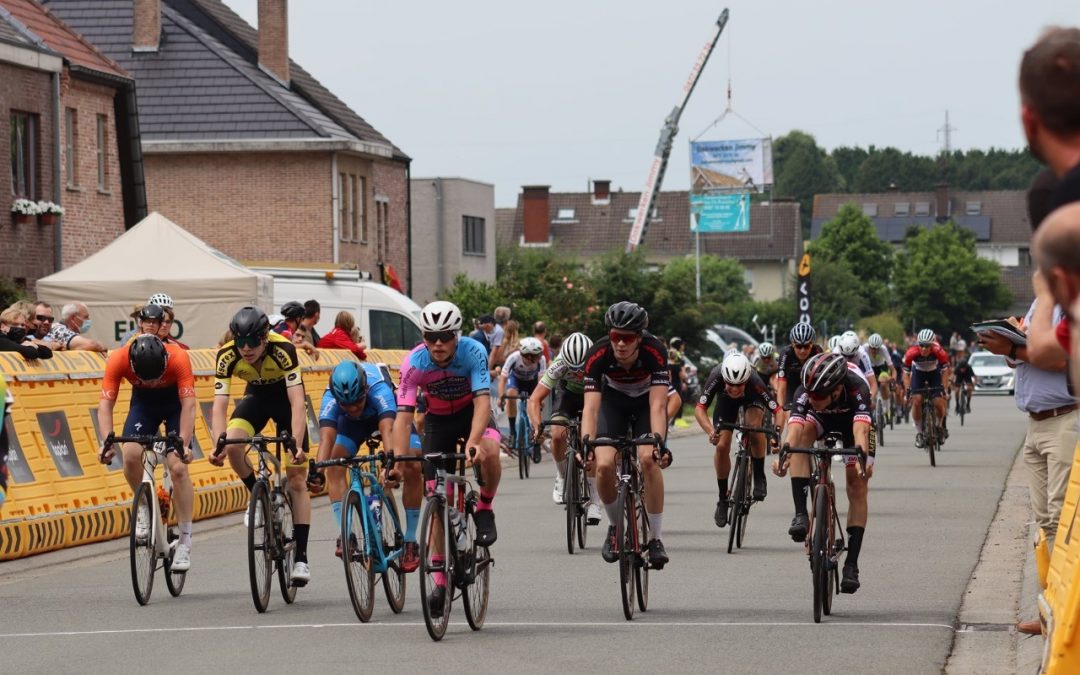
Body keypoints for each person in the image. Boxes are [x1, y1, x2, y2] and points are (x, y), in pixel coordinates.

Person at [391, 300, 503, 618]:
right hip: (438, 422)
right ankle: (439, 581)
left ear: (456, 334)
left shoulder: (472, 352)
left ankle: (484, 508)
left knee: (490, 451)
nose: (438, 343)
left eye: (444, 336)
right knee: (438, 503)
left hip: (472, 415)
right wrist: (399, 462)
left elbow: (483, 401)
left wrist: (472, 442)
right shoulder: (413, 362)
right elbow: (403, 417)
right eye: (430, 336)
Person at [209, 306, 312, 586]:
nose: (246, 349)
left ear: (265, 338)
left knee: (297, 478)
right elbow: (219, 406)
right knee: (232, 446)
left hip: (285, 401)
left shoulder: (284, 350)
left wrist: (296, 442)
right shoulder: (227, 355)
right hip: (256, 397)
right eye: (240, 342)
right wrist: (218, 441)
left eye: (253, 342)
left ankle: (301, 557)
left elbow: (297, 402)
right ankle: (257, 498)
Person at [580, 301, 672, 569]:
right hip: (614, 402)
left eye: (627, 338)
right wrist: (586, 443)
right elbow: (591, 408)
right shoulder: (597, 355)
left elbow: (658, 405)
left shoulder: (655, 352)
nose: (620, 344)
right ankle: (614, 527)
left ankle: (655, 538)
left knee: (647, 460)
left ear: (639, 338)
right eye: (615, 337)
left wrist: (658, 443)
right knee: (605, 464)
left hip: (646, 403)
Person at [774, 352, 873, 593]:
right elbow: (794, 429)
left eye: (817, 396)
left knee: (857, 485)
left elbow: (861, 431)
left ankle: (851, 564)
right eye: (809, 394)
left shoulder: (857, 387)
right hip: (820, 419)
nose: (811, 397)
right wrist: (784, 454)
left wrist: (862, 459)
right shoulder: (806, 391)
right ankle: (801, 514)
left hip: (852, 424)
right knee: (802, 438)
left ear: (836, 390)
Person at [97, 335, 196, 571]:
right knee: (130, 454)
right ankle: (143, 507)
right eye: (145, 379)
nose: (152, 382)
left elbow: (189, 406)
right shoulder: (118, 358)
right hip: (144, 406)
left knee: (178, 468)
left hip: (175, 406)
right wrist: (106, 442)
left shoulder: (179, 357)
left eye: (156, 377)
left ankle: (185, 540)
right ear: (132, 365)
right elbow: (105, 405)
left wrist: (184, 443)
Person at [307, 361, 410, 561]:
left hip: (381, 417)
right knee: (334, 466)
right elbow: (327, 439)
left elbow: (388, 430)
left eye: (357, 401)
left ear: (364, 390)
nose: (353, 407)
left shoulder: (378, 389)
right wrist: (317, 473)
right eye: (346, 404)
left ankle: (399, 531)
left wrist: (391, 464)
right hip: (352, 426)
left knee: (401, 458)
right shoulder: (330, 397)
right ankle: (347, 534)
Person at [695, 352, 779, 527]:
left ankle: (759, 475)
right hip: (726, 402)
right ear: (724, 378)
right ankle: (722, 498)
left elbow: (778, 411)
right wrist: (711, 431)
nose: (734, 388)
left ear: (746, 379)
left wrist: (776, 434)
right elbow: (700, 409)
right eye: (730, 384)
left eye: (738, 385)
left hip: (752, 399)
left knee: (754, 427)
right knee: (721, 446)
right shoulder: (716, 376)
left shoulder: (755, 382)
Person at [527, 332, 599, 514]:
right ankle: (561, 475)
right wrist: (537, 427)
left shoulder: (599, 362)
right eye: (572, 369)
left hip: (593, 396)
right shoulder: (559, 364)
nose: (576, 372)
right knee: (558, 435)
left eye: (580, 368)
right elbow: (534, 400)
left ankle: (593, 499)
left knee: (590, 442)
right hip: (567, 396)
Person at [903, 329, 952, 449]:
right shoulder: (911, 353)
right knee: (917, 400)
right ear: (917, 344)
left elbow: (945, 372)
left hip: (934, 373)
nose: (924, 349)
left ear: (932, 344)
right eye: (921, 345)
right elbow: (906, 375)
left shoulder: (939, 351)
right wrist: (908, 390)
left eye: (927, 346)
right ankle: (919, 433)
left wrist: (944, 389)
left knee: (939, 402)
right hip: (918, 373)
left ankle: (939, 426)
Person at [497, 336, 547, 449]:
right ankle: (513, 432)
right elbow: (503, 378)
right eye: (538, 354)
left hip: (532, 381)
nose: (541, 356)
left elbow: (542, 380)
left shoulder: (542, 360)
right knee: (510, 395)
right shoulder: (513, 357)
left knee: (537, 403)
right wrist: (501, 397)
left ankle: (537, 433)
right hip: (516, 380)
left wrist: (541, 399)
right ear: (529, 356)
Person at [775, 323, 823, 435]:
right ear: (792, 345)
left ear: (812, 345)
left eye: (806, 346)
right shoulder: (786, 354)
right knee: (793, 426)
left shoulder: (818, 352)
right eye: (798, 346)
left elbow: (822, 382)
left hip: (811, 387)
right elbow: (781, 388)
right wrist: (779, 416)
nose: (802, 350)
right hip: (791, 388)